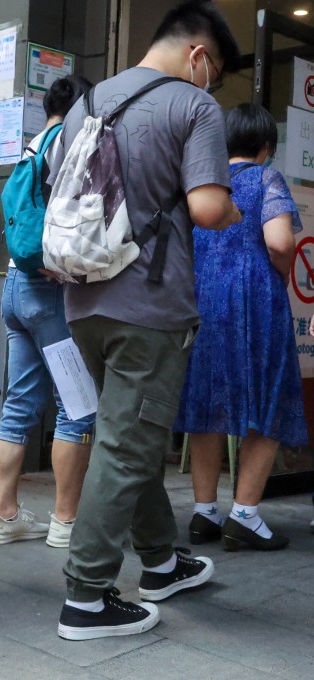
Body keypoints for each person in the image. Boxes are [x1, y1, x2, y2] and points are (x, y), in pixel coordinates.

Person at [48, 1, 243, 641]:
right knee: (128, 444)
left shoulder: (84, 103)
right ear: (198, 55)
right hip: (150, 305)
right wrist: (235, 212)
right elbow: (208, 207)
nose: (212, 83)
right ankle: (86, 597)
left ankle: (160, 562)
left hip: (83, 301)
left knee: (127, 432)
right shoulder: (194, 105)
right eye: (214, 71)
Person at [176, 103, 304, 552]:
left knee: (206, 401)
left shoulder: (202, 185)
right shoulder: (266, 178)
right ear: (266, 145)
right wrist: (281, 274)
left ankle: (204, 512)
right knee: (268, 398)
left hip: (201, 300)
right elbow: (280, 242)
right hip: (254, 300)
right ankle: (244, 515)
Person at [0, 75, 94, 549]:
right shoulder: (69, 144)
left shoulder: (31, 146)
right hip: (51, 291)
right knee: (77, 407)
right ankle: (65, 522)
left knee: (19, 405)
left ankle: (3, 515)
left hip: (16, 286)